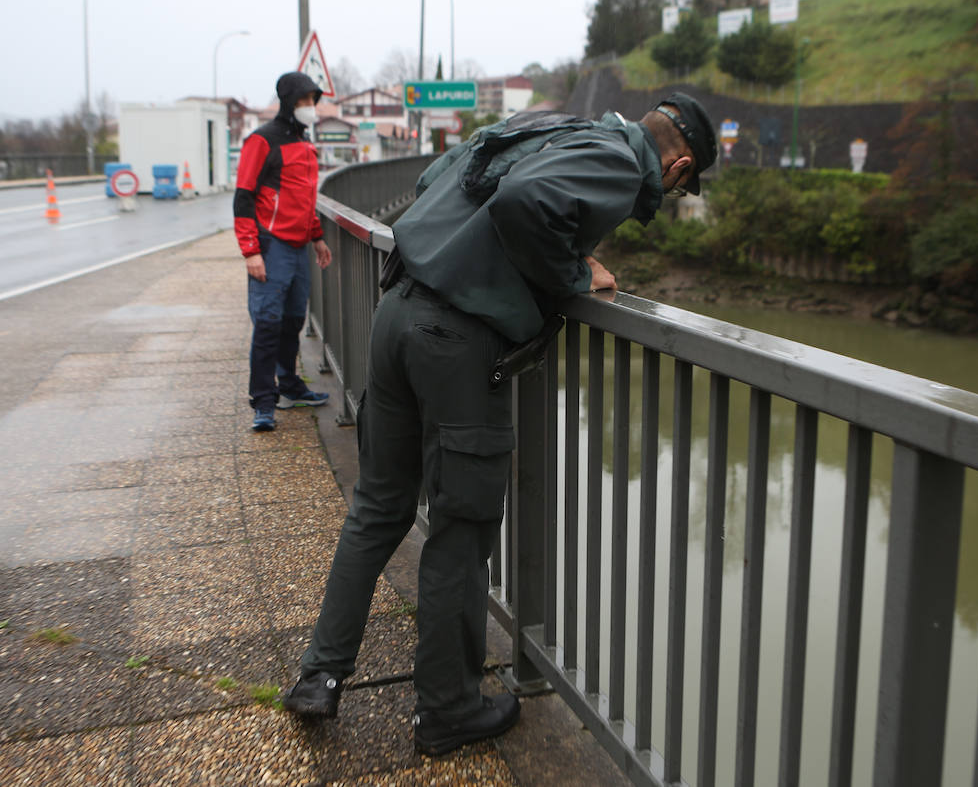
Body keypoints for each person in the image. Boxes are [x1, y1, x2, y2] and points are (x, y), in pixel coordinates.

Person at [280, 93, 718, 756]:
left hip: (395, 311)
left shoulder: (547, 125)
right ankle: (447, 710)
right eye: (681, 180)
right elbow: (523, 207)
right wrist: (574, 270)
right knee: (461, 528)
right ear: (680, 165)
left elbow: (434, 179)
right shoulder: (620, 164)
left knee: (378, 507)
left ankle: (321, 673)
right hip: (454, 340)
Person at [233, 72, 333, 432]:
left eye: (313, 100)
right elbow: (244, 196)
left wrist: (318, 236)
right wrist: (250, 251)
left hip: (299, 246)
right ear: (289, 101)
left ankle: (289, 385)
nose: (309, 107)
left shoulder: (303, 141)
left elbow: (303, 198)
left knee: (293, 320)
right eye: (304, 101)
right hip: (271, 246)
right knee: (268, 324)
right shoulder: (262, 140)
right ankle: (263, 401)